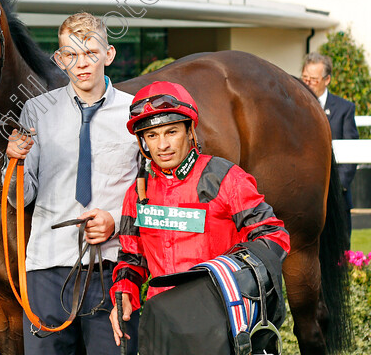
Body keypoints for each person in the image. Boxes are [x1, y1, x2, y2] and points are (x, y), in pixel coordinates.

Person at [108, 81, 291, 349]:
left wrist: (225, 276)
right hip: (164, 325)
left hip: (219, 322)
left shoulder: (226, 179)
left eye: (171, 132)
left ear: (190, 131)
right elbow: (131, 257)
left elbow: (274, 238)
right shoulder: (138, 193)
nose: (163, 145)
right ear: (143, 141)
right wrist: (124, 292)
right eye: (152, 135)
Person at [6, 12, 140, 355]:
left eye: (91, 53)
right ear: (59, 59)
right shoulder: (36, 111)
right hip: (46, 270)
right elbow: (22, 199)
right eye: (71, 54)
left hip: (111, 269)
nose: (81, 64)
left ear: (108, 55)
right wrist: (13, 164)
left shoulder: (135, 114)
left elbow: (149, 195)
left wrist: (114, 219)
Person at [302, 52, 359, 232]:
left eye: (313, 79)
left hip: (336, 198)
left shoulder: (344, 109)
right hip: (303, 198)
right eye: (304, 78)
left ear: (327, 80)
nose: (307, 83)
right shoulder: (293, 106)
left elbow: (351, 152)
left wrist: (335, 189)